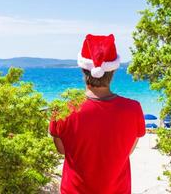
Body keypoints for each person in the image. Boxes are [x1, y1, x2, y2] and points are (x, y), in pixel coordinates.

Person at [49, 34, 146, 194]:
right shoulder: (133, 109)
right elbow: (127, 150)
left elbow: (62, 150)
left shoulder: (62, 110)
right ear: (113, 71)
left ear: (83, 69)